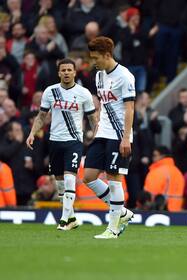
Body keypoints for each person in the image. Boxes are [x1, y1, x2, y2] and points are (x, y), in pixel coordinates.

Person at [26, 58, 96, 230]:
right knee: (60, 182)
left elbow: (92, 118)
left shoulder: (84, 93)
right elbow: (42, 116)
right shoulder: (50, 92)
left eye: (69, 70)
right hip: (55, 140)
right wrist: (32, 133)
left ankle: (64, 219)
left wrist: (97, 135)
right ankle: (71, 218)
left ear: (74, 72)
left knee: (70, 177)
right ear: (59, 73)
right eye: (63, 70)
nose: (66, 73)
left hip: (73, 141)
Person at [83, 36, 135, 239]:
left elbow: (130, 109)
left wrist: (125, 137)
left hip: (118, 135)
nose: (93, 62)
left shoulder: (125, 76)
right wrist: (97, 127)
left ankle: (112, 228)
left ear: (107, 55)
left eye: (96, 58)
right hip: (103, 132)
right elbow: (104, 105)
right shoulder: (99, 76)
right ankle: (121, 212)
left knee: (114, 179)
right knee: (88, 177)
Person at [143, 146, 185, 211]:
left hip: (158, 211)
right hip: (176, 211)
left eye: (155, 155)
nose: (152, 158)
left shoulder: (156, 172)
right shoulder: (178, 172)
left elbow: (149, 195)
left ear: (162, 156)